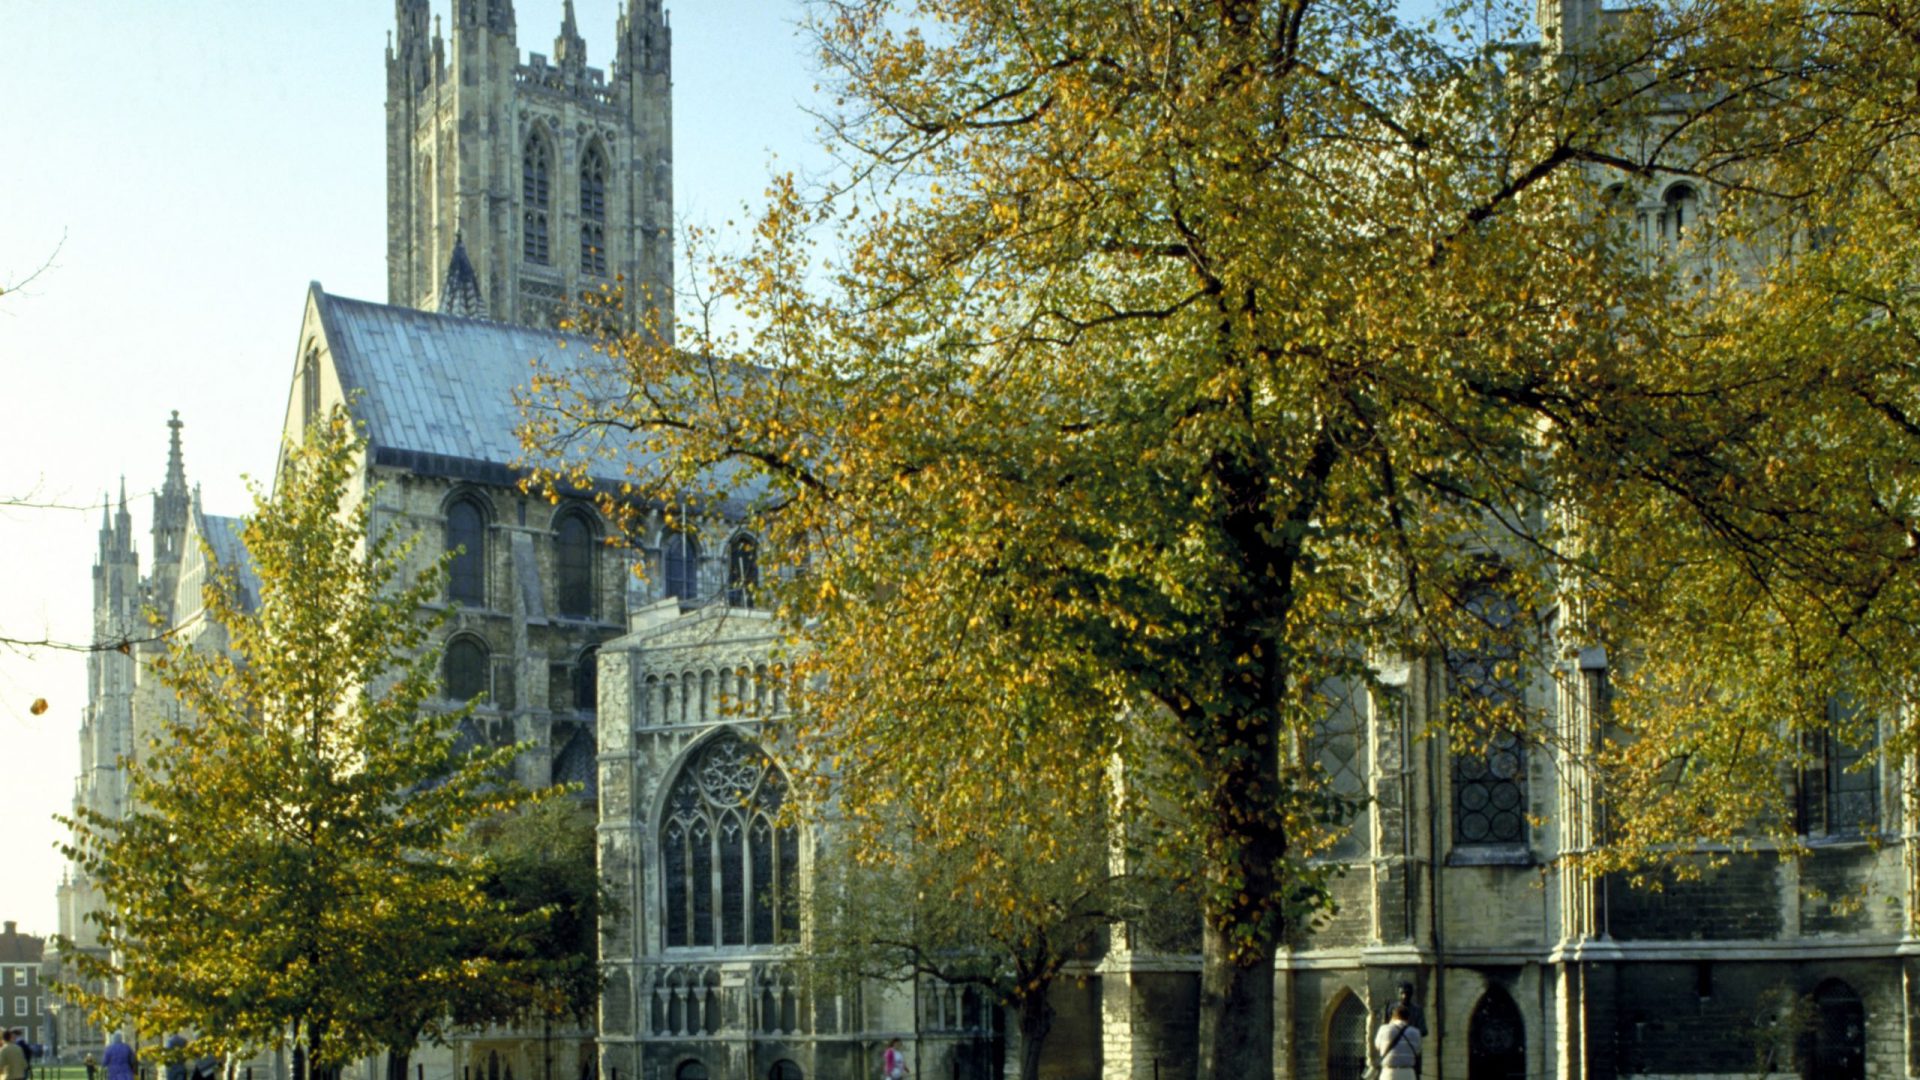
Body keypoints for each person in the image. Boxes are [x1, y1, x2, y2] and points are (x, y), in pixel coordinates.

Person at [1375, 1003, 1422, 1080]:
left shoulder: (1384, 1029)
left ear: (1393, 1017)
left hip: (1389, 1073)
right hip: (1408, 1073)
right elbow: (1418, 1051)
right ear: (1408, 1018)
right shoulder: (1415, 1032)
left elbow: (1377, 1046)